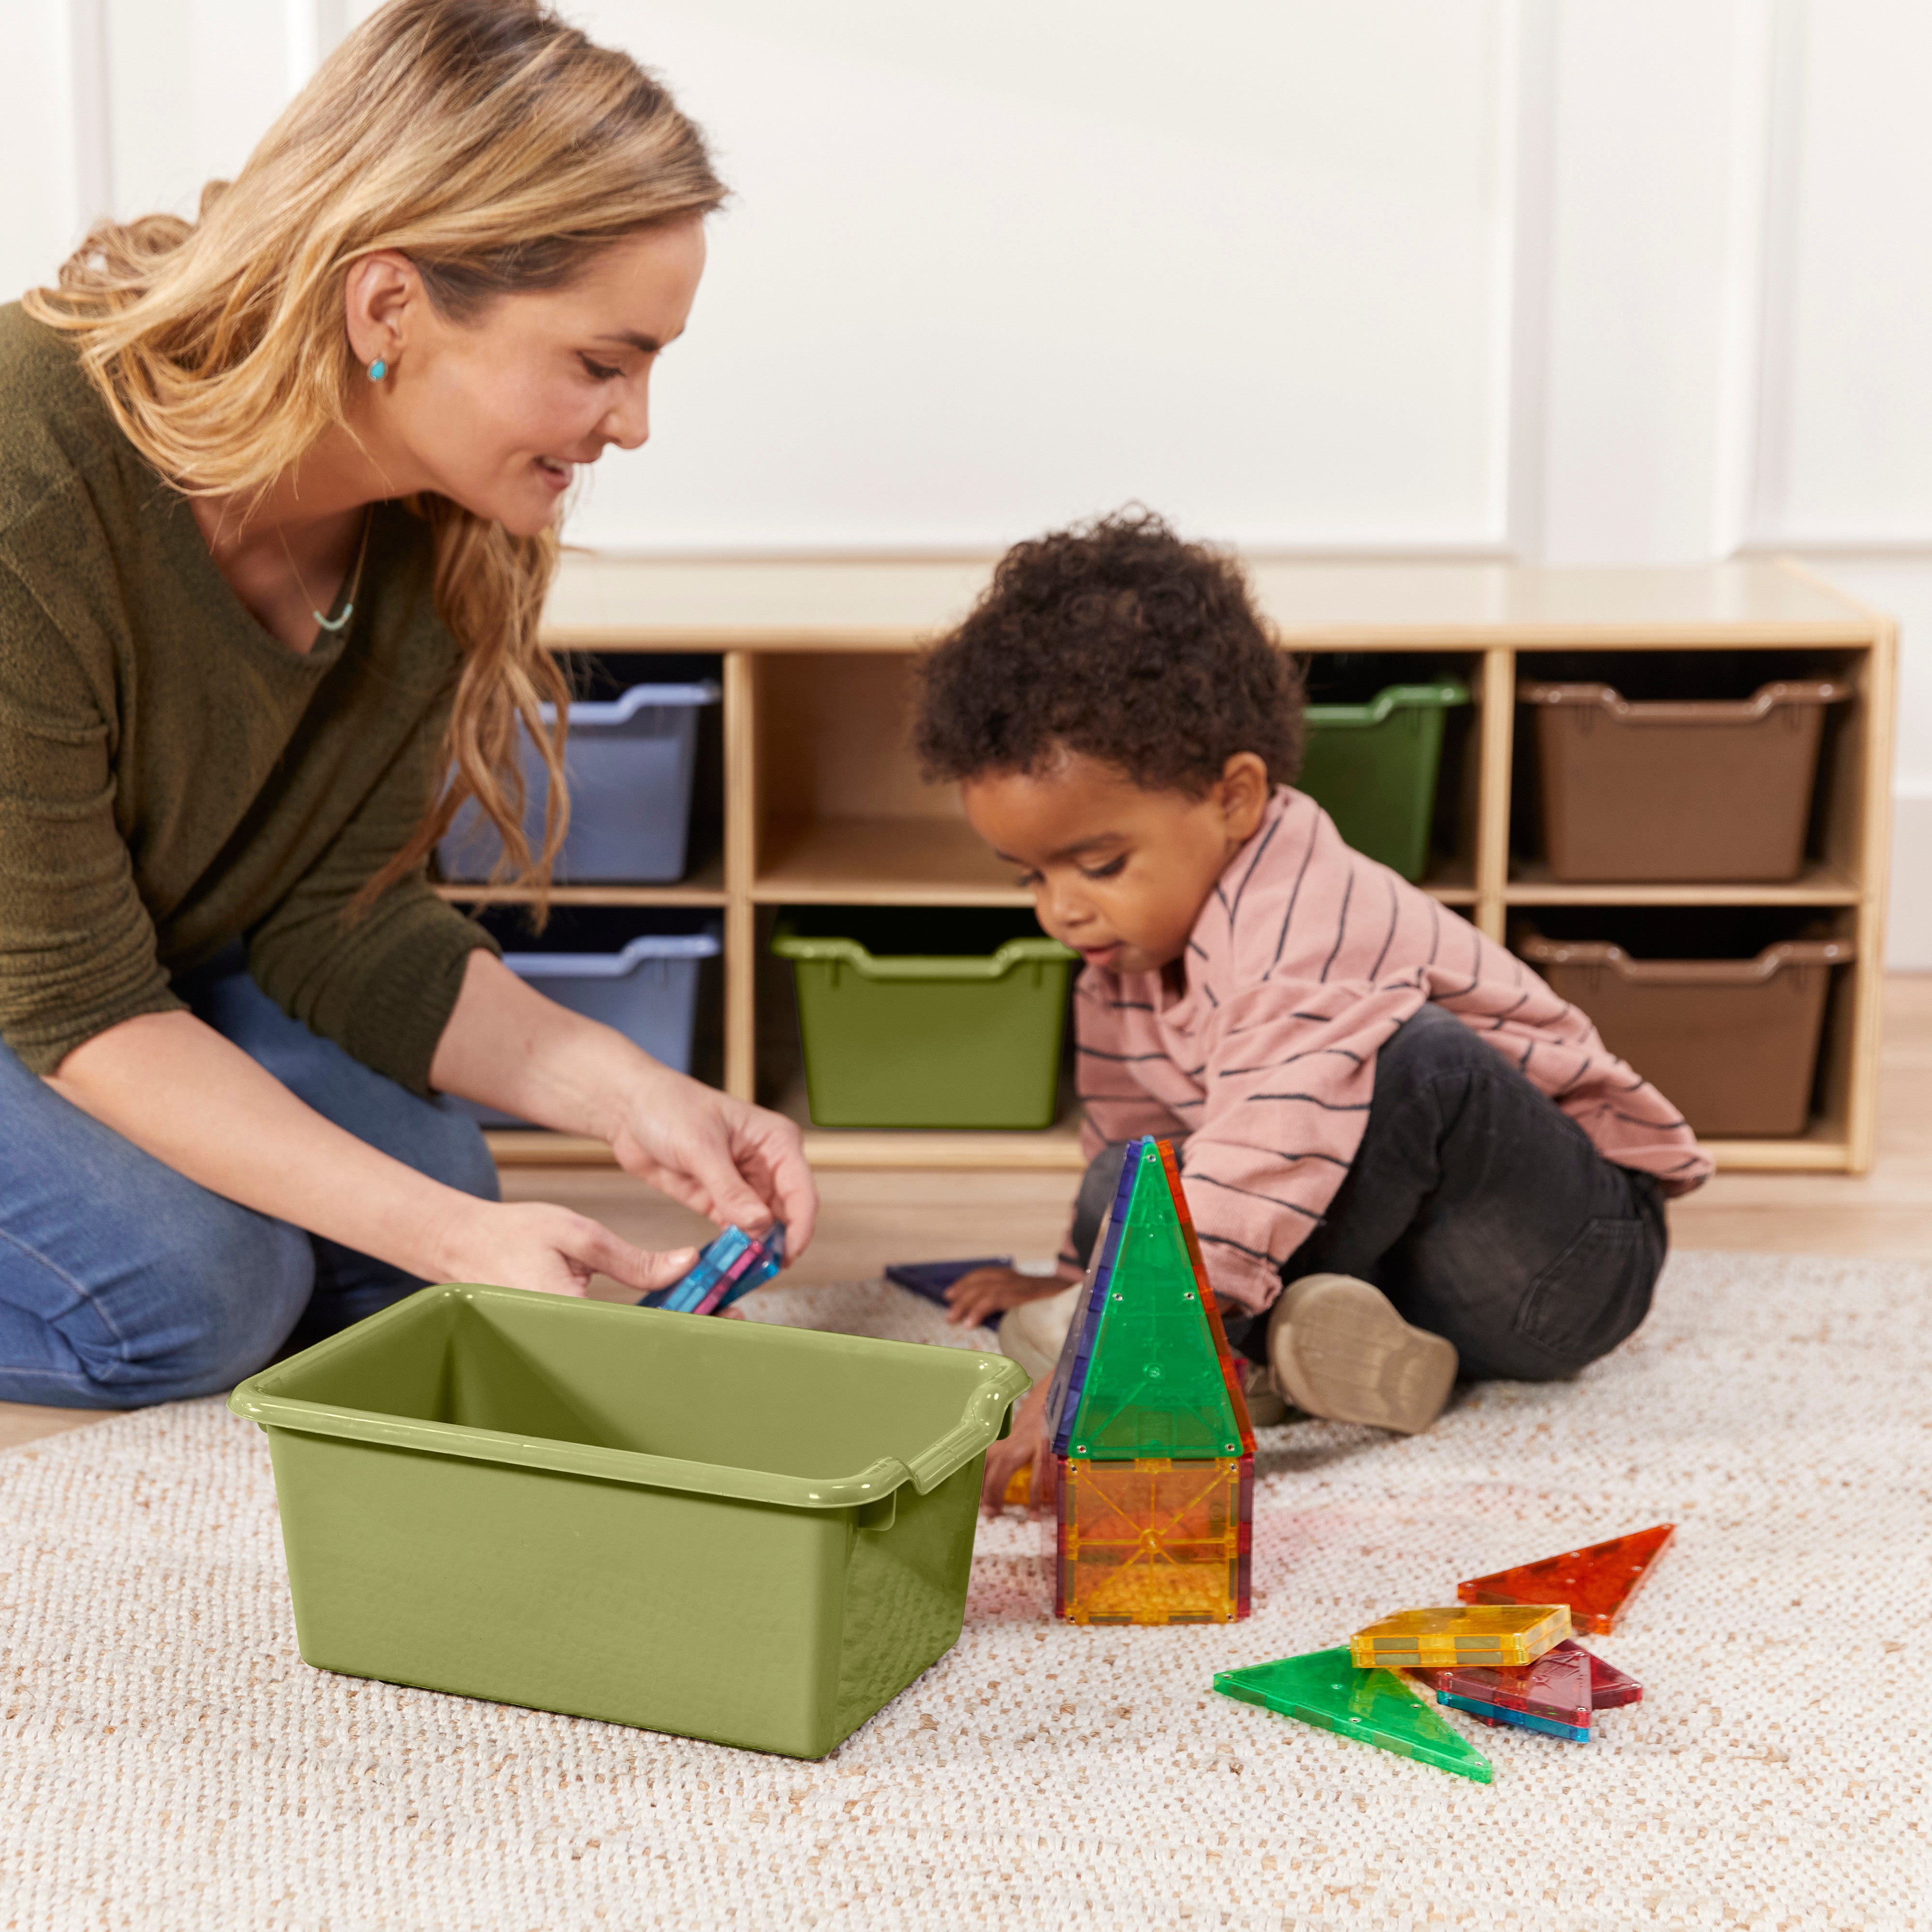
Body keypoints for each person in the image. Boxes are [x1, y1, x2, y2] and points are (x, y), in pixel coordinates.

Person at [0, 0, 815, 1409]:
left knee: (427, 1200)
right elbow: (70, 992)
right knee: (205, 1294)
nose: (631, 427)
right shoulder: (31, 477)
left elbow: (335, 914)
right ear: (390, 307)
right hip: (40, 978)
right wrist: (448, 1240)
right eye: (601, 363)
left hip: (139, 959)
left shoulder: (441, 518)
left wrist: (631, 1096)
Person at [911, 510, 1710, 1507]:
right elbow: (1136, 1135)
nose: (1061, 906)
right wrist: (1077, 1274)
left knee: (1407, 1056)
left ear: (1234, 797)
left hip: (1562, 1261)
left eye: (1100, 863)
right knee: (1137, 1174)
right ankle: (1325, 1351)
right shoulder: (1115, 958)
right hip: (1399, 1269)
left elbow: (1274, 1137)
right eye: (1029, 875)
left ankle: (1228, 1344)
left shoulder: (1308, 913)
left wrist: (1104, 1349)